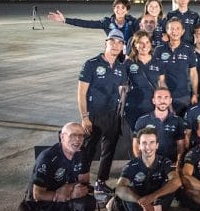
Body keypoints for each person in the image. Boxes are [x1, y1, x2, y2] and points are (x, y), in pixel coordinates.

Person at [17, 122, 96, 211]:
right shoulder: (48, 157)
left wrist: (69, 188)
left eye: (81, 136)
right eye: (73, 135)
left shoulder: (81, 153)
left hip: (67, 195)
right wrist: (62, 195)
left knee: (88, 202)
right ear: (62, 137)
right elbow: (38, 194)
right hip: (45, 202)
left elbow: (84, 181)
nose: (77, 140)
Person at [78, 29, 127, 193]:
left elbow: (123, 88)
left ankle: (101, 182)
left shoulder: (121, 67)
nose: (116, 45)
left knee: (108, 150)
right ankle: (82, 182)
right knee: (89, 149)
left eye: (119, 42)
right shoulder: (91, 64)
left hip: (112, 114)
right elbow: (81, 93)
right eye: (112, 41)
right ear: (105, 43)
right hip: (94, 115)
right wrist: (84, 117)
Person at [115, 128, 181, 211]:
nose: (148, 147)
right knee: (126, 192)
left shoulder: (165, 161)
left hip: (157, 201)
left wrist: (152, 197)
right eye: (144, 143)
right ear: (139, 146)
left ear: (157, 145)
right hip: (140, 206)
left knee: (170, 187)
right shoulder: (132, 165)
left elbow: (177, 181)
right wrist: (142, 202)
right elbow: (119, 188)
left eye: (151, 143)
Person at [48, 0, 139, 44]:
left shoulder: (133, 22)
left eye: (123, 8)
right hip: (113, 53)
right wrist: (65, 20)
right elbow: (87, 23)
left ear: (127, 11)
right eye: (117, 7)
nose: (120, 10)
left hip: (130, 55)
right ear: (113, 9)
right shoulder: (107, 22)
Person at [132, 87, 186, 164]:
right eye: (159, 97)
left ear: (170, 100)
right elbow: (136, 145)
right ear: (153, 100)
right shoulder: (142, 120)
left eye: (166, 97)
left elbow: (180, 146)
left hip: (170, 163)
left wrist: (178, 162)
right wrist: (141, 162)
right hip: (149, 164)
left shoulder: (178, 121)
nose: (162, 101)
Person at [123, 31, 161, 132]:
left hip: (153, 107)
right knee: (135, 136)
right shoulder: (128, 63)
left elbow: (163, 84)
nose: (145, 46)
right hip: (134, 107)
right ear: (135, 45)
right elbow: (122, 86)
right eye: (141, 42)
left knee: (153, 136)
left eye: (147, 42)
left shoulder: (158, 61)